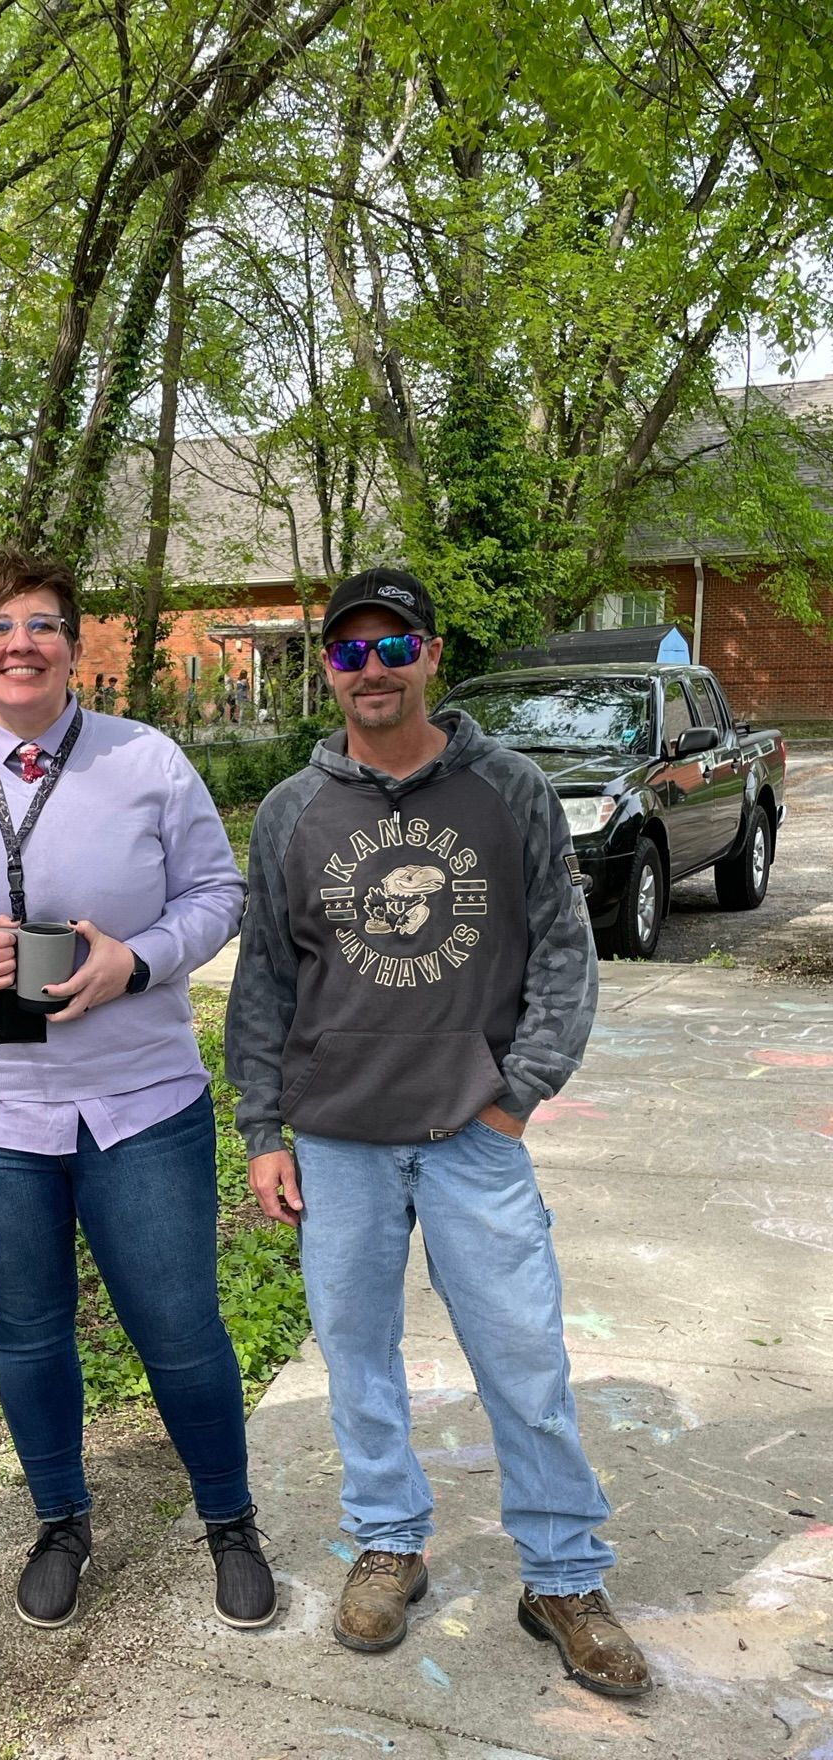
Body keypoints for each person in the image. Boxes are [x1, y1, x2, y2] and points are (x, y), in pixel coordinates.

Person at [225, 565, 650, 1697]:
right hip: (338, 1136)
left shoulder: (507, 790)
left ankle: (561, 1570)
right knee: (357, 1351)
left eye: (393, 646)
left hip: (471, 1132)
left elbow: (565, 947)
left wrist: (519, 1092)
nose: (374, 669)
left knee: (524, 1354)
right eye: (350, 651)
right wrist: (263, 1127)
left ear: (431, 652)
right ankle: (388, 1541)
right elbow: (264, 980)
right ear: (330, 667)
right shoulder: (291, 813)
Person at [0, 542, 274, 1632]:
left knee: (181, 1323)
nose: (20, 644)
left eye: (42, 623)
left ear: (73, 641)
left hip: (139, 1099)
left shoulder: (147, 759)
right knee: (30, 1328)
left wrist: (134, 961)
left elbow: (215, 889)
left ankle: (229, 1518)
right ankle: (60, 1518)